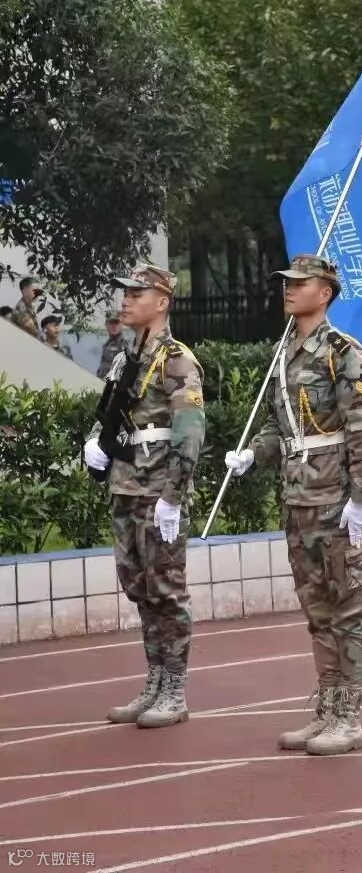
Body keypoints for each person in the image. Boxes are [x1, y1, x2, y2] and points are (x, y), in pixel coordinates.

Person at [225, 254, 362, 756]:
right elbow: (280, 425)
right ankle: (327, 710)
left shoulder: (343, 352)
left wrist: (361, 498)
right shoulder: (283, 352)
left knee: (349, 608)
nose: (288, 290)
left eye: (299, 283)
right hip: (297, 498)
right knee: (318, 611)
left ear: (325, 292)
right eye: (286, 283)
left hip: (335, 497)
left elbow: (361, 429)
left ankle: (348, 717)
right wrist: (254, 453)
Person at [83, 264, 205, 728]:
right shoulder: (125, 358)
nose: (127, 299)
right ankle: (154, 681)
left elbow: (189, 434)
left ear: (162, 301)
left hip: (158, 492)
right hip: (126, 486)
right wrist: (94, 442)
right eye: (126, 292)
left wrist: (173, 496)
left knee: (166, 592)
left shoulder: (177, 360)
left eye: (137, 293)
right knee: (140, 590)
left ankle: (174, 689)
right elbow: (111, 415)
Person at [97, 308, 129, 379]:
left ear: (122, 324)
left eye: (116, 323)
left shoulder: (126, 346)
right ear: (106, 324)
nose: (114, 326)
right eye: (111, 323)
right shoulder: (107, 345)